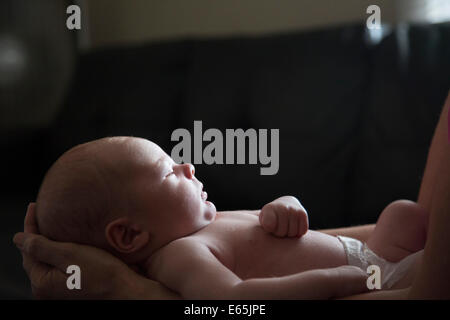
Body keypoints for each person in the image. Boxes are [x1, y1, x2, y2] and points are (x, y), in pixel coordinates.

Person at [13, 91, 450, 300]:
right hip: (364, 286)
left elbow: (282, 233)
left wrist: (286, 209)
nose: (187, 166)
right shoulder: (180, 256)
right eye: (169, 171)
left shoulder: (205, 222)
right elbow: (238, 301)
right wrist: (331, 281)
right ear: (129, 235)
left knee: (404, 214)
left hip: (368, 255)